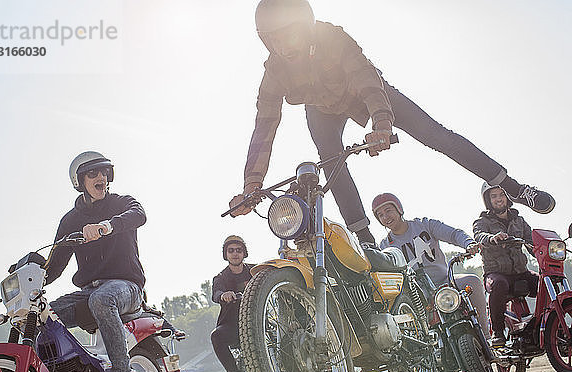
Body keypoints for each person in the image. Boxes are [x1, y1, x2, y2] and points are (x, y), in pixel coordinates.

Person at [229, 0, 555, 246]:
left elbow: (367, 81)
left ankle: (515, 188)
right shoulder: (274, 70)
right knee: (330, 160)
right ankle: (366, 240)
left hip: (371, 93)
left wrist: (381, 124)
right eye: (276, 40)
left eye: (291, 36)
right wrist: (251, 185)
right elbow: (264, 125)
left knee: (435, 135)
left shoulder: (333, 39)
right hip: (322, 110)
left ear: (306, 28)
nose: (285, 47)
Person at [45, 151, 146, 372]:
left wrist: (107, 226)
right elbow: (55, 266)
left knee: (101, 299)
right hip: (89, 291)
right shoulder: (70, 220)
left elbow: (139, 215)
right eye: (93, 173)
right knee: (44, 318)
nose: (101, 176)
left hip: (127, 287)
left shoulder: (121, 203)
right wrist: (32, 274)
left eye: (104, 172)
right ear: (79, 182)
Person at [372, 193, 489, 337]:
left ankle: (485, 335)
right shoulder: (385, 247)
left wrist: (469, 244)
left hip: (446, 281)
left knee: (473, 281)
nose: (386, 217)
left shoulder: (425, 225)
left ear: (399, 209)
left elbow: (454, 234)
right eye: (380, 215)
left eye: (388, 210)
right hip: (418, 293)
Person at [473, 182, 538, 347]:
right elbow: (479, 235)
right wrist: (491, 238)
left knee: (545, 281)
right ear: (488, 200)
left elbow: (533, 242)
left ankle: (546, 324)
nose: (498, 199)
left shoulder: (519, 220)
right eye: (493, 196)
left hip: (520, 272)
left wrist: (544, 248)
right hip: (496, 274)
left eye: (501, 194)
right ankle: (498, 332)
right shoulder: (482, 221)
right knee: (499, 284)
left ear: (508, 196)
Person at [210, 236, 254, 372]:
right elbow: (216, 294)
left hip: (257, 321)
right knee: (216, 336)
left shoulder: (255, 271)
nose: (235, 254)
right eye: (231, 250)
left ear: (244, 253)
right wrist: (224, 295)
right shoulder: (221, 278)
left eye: (238, 250)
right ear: (225, 254)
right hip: (233, 326)